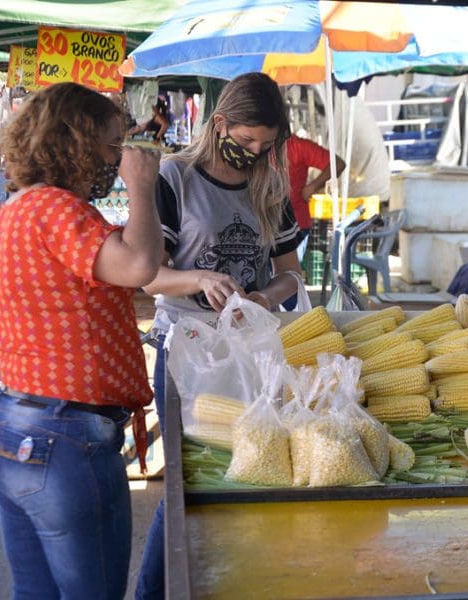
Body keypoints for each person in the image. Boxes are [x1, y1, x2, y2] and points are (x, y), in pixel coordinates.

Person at [135, 72, 304, 600]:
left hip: (251, 354)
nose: (255, 153)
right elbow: (148, 275)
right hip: (186, 352)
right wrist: (200, 280)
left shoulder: (270, 186)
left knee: (248, 473)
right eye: (247, 140)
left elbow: (292, 275)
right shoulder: (175, 178)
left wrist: (264, 299)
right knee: (189, 485)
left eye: (266, 145)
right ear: (221, 123)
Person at [0, 82, 163, 598]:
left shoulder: (12, 212)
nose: (116, 158)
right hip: (67, 436)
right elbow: (140, 264)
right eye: (112, 145)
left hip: (15, 423)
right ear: (77, 143)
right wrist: (142, 187)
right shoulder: (58, 210)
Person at [286, 133, 346, 261]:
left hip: (296, 223)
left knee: (289, 270)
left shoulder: (297, 145)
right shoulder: (256, 147)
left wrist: (312, 187)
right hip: (264, 224)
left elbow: (338, 164)